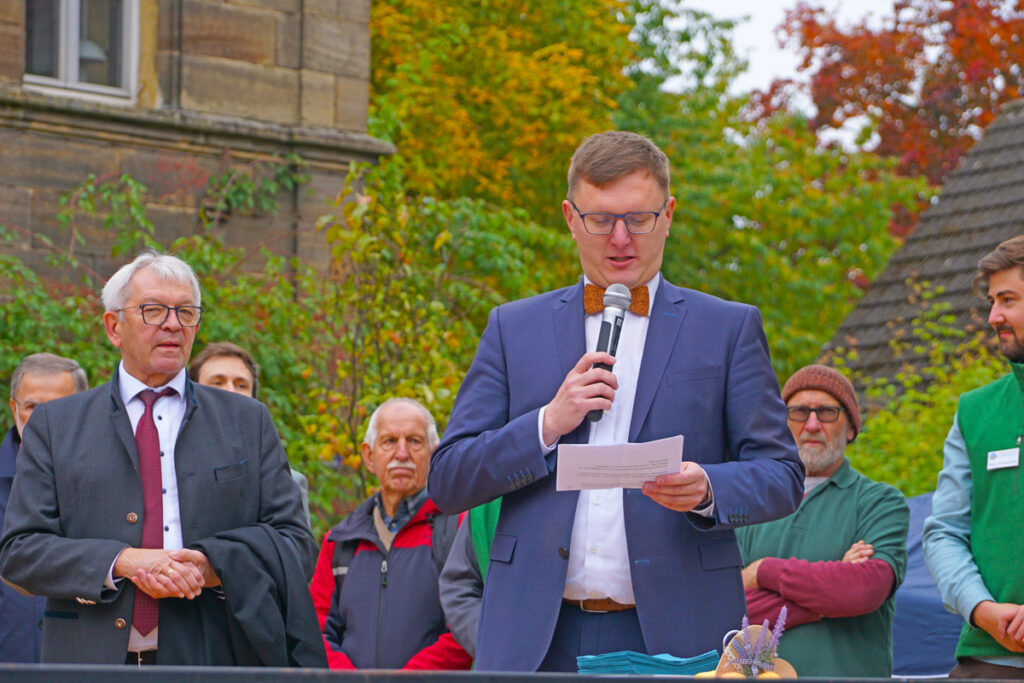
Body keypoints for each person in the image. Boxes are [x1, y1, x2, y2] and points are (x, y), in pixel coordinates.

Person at [428, 131, 805, 672]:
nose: (621, 238)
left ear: (668, 215)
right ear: (570, 218)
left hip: (680, 636)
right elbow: (448, 480)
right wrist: (546, 423)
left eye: (639, 218)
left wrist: (707, 488)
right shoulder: (513, 328)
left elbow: (782, 475)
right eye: (601, 219)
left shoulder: (727, 328)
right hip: (535, 638)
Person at [0, 251, 324, 667]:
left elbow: (296, 544)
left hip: (213, 660)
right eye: (153, 310)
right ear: (113, 327)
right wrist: (122, 561)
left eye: (186, 312)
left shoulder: (246, 420)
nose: (173, 324)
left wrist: (213, 565)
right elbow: (20, 551)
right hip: (88, 663)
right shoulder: (56, 424)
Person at [737, 364, 909, 677]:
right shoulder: (752, 503)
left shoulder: (879, 502)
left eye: (828, 412)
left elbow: (864, 590)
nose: (812, 424)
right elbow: (729, 608)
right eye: (799, 412)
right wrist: (831, 594)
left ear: (851, 428)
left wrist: (762, 571)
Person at [924, 234, 1024, 678]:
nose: (993, 316)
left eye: (1008, 300)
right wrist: (981, 608)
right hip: (988, 663)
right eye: (992, 301)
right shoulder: (974, 411)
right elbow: (944, 532)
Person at [309, 398, 472, 670]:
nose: (402, 453)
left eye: (414, 441)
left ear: (434, 454)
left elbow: (467, 627)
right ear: (369, 456)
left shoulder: (458, 531)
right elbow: (315, 633)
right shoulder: (339, 542)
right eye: (389, 441)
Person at [1, 353, 88, 663]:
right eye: (32, 407)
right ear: (14, 408)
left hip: (83, 667)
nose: (42, 420)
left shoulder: (115, 486)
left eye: (58, 407)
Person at [189, 341, 311, 527]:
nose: (230, 391)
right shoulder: (169, 476)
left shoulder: (289, 485)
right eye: (217, 382)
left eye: (241, 385)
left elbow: (294, 543)